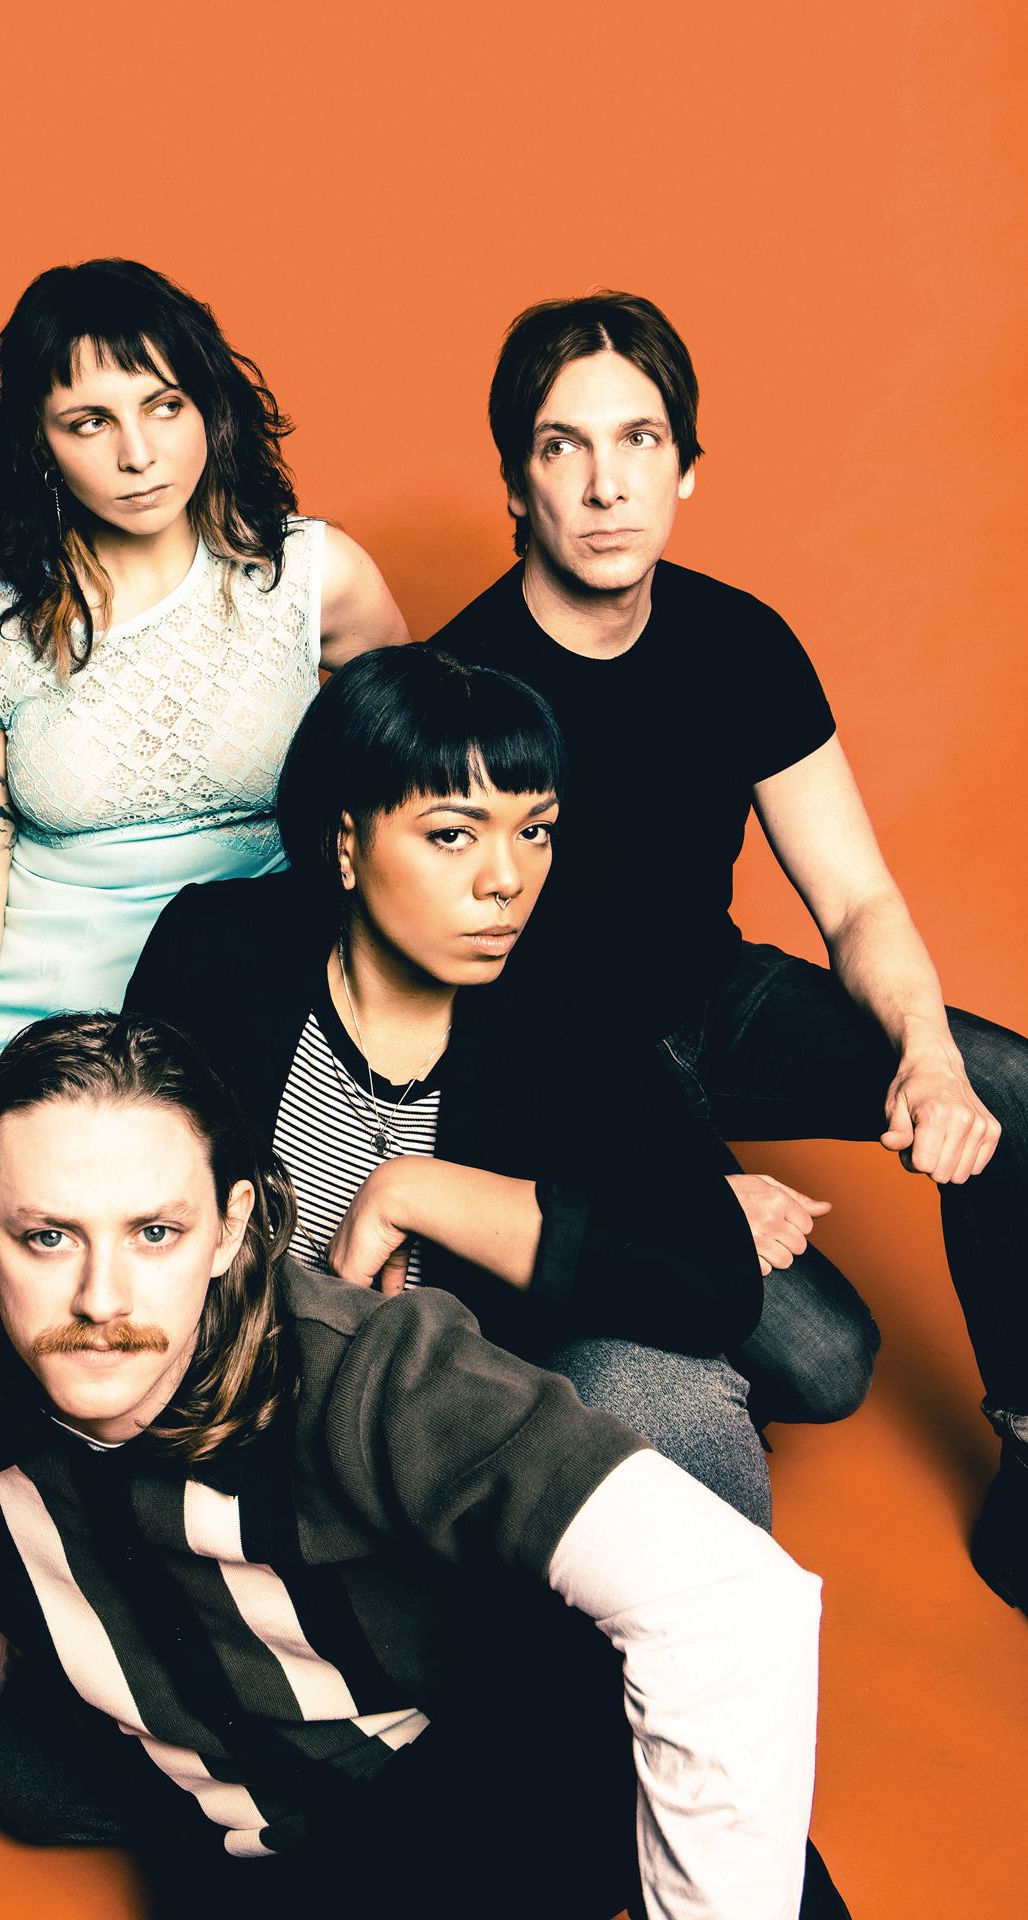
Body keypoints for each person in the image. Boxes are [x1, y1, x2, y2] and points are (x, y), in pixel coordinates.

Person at [0, 1011, 847, 1918]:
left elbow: (729, 1600)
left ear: (230, 1230)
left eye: (155, 1233)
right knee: (28, 1775)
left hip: (478, 1764)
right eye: (48, 1237)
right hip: (255, 1843)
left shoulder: (366, 1370)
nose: (105, 1299)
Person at [0, 257, 406, 1559]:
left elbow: (419, 779)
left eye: (164, 405)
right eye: (89, 420)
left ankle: (51, 1537)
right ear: (39, 445)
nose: (137, 452)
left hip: (245, 976)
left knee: (205, 1285)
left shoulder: (312, 580)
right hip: (39, 962)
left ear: (214, 408)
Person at [429, 291, 1028, 1608]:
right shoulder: (466, 687)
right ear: (516, 482)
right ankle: (612, 1365)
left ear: (689, 468)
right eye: (561, 447)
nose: (605, 485)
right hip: (560, 1070)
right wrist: (693, 1193)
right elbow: (495, 1019)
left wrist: (926, 1059)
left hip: (717, 1000)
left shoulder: (738, 641)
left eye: (638, 440)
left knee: (1008, 1081)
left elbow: (858, 902)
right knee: (827, 1366)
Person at [126, 645, 839, 1531]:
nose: (506, 879)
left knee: (661, 1384)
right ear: (346, 841)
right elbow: (126, 1207)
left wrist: (423, 1193)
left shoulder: (560, 997)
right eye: (453, 834)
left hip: (481, 1434)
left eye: (533, 830)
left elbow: (711, 1275)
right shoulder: (217, 953)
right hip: (250, 1411)